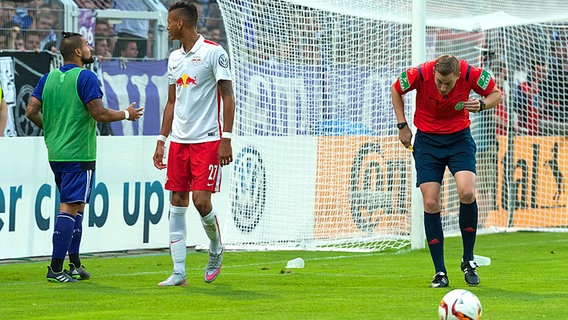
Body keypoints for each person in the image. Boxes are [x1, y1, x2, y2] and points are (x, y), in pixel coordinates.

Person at [26, 31, 143, 283]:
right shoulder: (86, 77)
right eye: (87, 45)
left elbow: (30, 110)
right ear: (78, 52)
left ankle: (75, 263)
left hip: (56, 152)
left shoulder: (48, 78)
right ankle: (55, 269)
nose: (90, 48)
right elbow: (99, 113)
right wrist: (126, 114)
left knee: (76, 206)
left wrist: (52, 128)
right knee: (69, 207)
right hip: (79, 152)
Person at [391, 54, 502, 288]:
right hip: (428, 143)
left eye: (448, 84)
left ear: (458, 76)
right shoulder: (419, 73)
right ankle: (440, 272)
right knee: (430, 203)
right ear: (434, 74)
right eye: (439, 82)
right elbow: (396, 89)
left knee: (467, 192)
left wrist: (482, 104)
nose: (443, 88)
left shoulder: (471, 73)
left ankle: (468, 260)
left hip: (459, 140)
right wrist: (402, 125)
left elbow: (496, 94)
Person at [152, 1, 235, 287]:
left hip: (208, 141)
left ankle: (215, 248)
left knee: (201, 201)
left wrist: (226, 139)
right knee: (177, 201)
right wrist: (162, 140)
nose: (166, 26)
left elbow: (227, 96)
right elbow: (172, 101)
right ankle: (178, 272)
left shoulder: (214, 52)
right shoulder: (174, 58)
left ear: (180, 23)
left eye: (169, 21)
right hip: (179, 142)